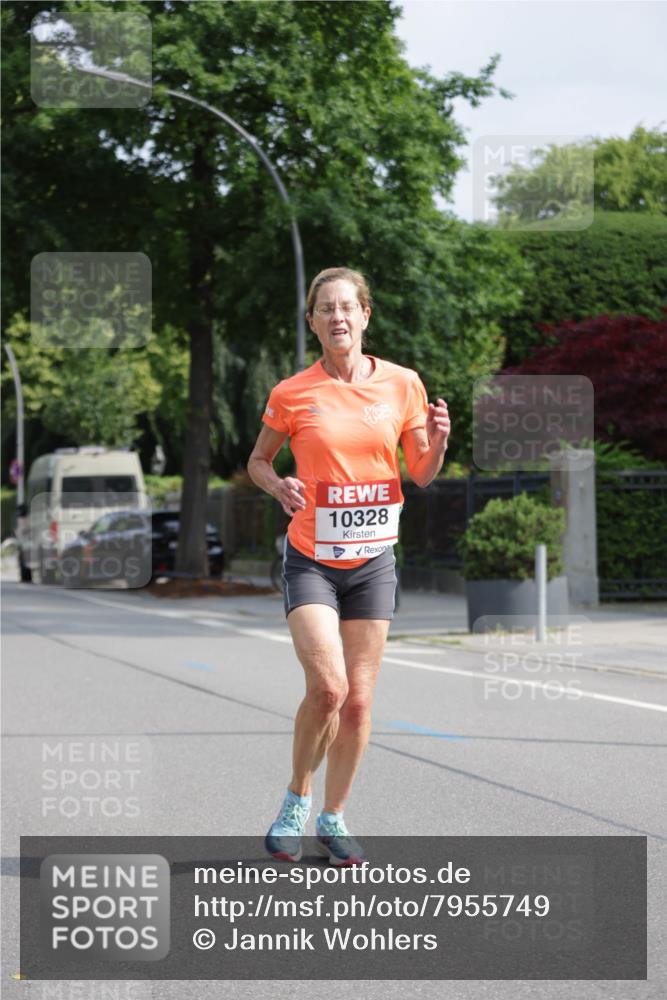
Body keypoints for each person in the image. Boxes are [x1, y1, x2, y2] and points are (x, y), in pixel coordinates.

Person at [247, 267, 450, 865]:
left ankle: (334, 817)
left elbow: (421, 471)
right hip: (310, 559)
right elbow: (258, 460)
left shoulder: (402, 384)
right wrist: (277, 483)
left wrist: (437, 441)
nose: (337, 317)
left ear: (365, 315)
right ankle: (295, 802)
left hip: (373, 562)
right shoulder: (293, 392)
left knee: (358, 702)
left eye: (347, 307)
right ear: (312, 323)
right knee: (329, 688)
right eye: (325, 309)